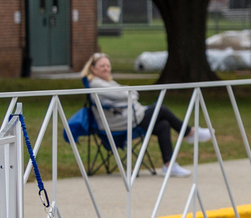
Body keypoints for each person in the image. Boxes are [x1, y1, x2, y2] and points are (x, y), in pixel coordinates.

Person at [78, 53, 212, 177]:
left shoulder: (107, 83)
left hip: (128, 118)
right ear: (93, 69)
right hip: (119, 123)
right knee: (160, 109)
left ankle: (169, 165)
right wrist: (128, 94)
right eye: (102, 66)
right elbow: (127, 93)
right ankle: (190, 132)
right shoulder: (95, 83)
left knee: (163, 125)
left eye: (108, 65)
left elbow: (129, 94)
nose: (106, 68)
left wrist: (128, 94)